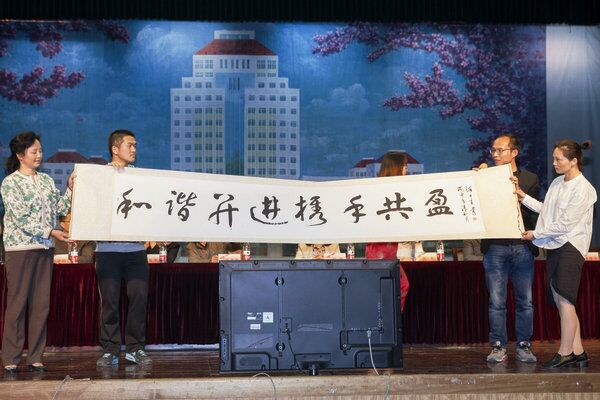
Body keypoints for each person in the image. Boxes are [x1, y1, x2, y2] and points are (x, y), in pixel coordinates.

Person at [515, 140, 596, 369]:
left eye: (558, 159)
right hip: (555, 244)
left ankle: (565, 352)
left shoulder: (584, 189)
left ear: (573, 161)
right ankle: (578, 351)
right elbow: (547, 211)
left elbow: (565, 223)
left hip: (571, 245)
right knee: (562, 300)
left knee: (565, 299)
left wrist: (535, 233)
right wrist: (523, 197)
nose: (554, 163)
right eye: (553, 159)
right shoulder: (558, 183)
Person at [1, 131, 73, 373]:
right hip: (20, 249)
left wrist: (70, 189)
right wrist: (50, 231)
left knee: (41, 304)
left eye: (40, 150)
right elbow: (20, 218)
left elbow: (60, 209)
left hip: (44, 249)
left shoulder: (46, 181)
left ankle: (35, 356)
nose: (39, 155)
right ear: (20, 155)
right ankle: (11, 356)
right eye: (34, 151)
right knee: (18, 303)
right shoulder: (10, 183)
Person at [480, 133, 540, 363]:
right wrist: (477, 181)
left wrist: (517, 192)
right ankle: (498, 346)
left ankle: (524, 345)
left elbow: (535, 212)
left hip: (521, 246)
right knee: (496, 301)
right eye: (493, 150)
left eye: (500, 150)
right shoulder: (485, 177)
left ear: (514, 152)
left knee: (525, 300)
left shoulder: (529, 179)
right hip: (495, 246)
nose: (495, 154)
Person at [95, 129, 151, 367]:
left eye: (136, 145)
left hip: (136, 250)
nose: (134, 149)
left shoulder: (141, 177)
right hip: (108, 251)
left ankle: (135, 349)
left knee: (139, 298)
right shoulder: (98, 176)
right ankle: (110, 350)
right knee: (110, 302)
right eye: (130, 145)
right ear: (115, 149)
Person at [364, 151, 411, 312]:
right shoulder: (379, 190)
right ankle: (386, 321)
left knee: (398, 286)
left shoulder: (398, 190)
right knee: (391, 286)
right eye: (404, 166)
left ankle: (390, 321)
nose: (406, 170)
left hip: (390, 247)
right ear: (396, 167)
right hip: (379, 246)